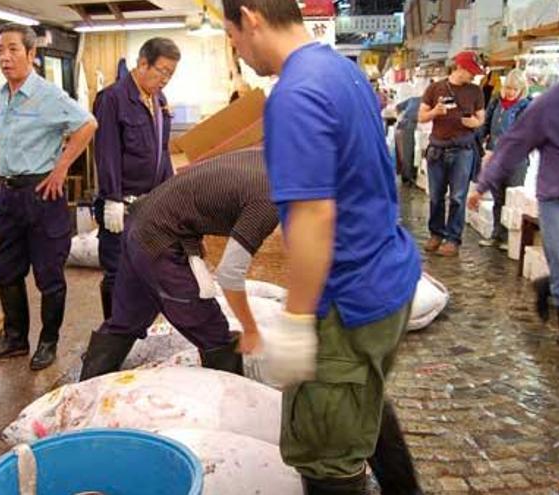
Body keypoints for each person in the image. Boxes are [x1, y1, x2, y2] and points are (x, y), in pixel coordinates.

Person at [222, 1, 423, 494]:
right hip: (386, 277)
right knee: (360, 402)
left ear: (250, 18)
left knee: (325, 458)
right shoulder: (339, 70)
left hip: (345, 302)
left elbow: (315, 216)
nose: (239, 53)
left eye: (232, 37)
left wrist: (294, 322)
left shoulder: (295, 92)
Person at [469, 29, 559, 375]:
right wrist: (482, 184)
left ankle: (547, 285)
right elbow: (513, 144)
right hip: (557, 197)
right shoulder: (547, 105)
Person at [79, 148, 279, 380]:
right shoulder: (270, 199)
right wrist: (251, 330)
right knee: (210, 328)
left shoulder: (265, 158)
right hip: (159, 237)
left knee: (127, 319)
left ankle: (85, 386)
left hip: (141, 220)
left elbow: (203, 189)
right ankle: (230, 403)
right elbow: (230, 274)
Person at [0, 23, 97, 371]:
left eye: (13, 49)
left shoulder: (48, 95)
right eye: (0, 49)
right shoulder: (2, 95)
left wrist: (60, 169)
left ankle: (48, 342)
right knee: (5, 270)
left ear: (31, 54)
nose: (5, 57)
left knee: (49, 275)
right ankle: (16, 339)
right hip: (10, 196)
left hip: (42, 196)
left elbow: (87, 124)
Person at [93, 37, 180, 320]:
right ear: (143, 63)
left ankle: (138, 329)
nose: (166, 79)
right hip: (123, 205)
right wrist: (113, 199)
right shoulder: (112, 99)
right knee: (117, 272)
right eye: (162, 71)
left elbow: (162, 152)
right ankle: (111, 339)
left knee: (149, 268)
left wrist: (170, 194)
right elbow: (107, 153)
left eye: (171, 74)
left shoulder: (159, 100)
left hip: (150, 204)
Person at [418, 51, 486, 257]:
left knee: (458, 197)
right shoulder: (434, 88)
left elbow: (481, 118)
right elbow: (421, 117)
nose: (473, 76)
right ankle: (436, 234)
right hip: (437, 149)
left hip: (463, 150)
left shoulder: (476, 91)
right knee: (436, 195)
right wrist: (434, 113)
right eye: (471, 71)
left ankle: (453, 239)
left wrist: (473, 123)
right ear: (460, 68)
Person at [477, 69, 531, 250]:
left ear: (521, 90)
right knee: (498, 198)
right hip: (495, 156)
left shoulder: (526, 107)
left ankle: (509, 239)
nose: (509, 92)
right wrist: (480, 143)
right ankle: (496, 234)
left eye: (514, 89)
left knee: (511, 198)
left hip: (516, 160)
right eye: (507, 88)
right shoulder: (496, 103)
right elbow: (486, 125)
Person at [394, 94, 421, 184]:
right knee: (409, 152)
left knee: (407, 152)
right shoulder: (421, 100)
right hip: (409, 126)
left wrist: (398, 118)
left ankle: (407, 176)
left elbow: (398, 107)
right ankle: (408, 177)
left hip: (406, 126)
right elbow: (397, 107)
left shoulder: (413, 98)